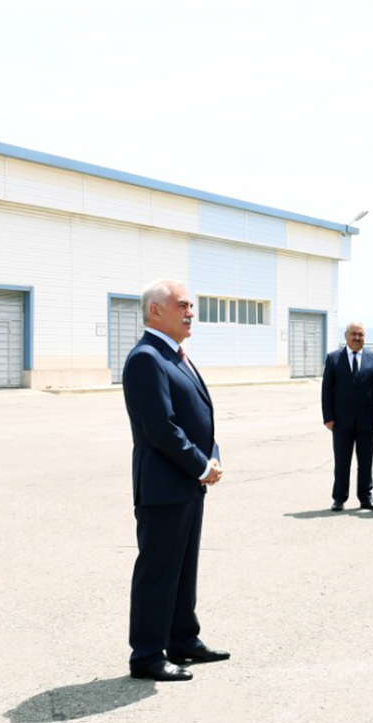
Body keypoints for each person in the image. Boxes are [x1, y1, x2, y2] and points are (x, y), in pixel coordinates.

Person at [121, 279, 228, 682]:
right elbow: (161, 427)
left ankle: (182, 639)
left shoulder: (174, 355)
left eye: (191, 306)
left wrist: (211, 456)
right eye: (182, 305)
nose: (190, 313)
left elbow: (198, 416)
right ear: (155, 311)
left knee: (183, 568)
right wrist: (201, 465)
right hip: (165, 485)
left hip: (187, 482)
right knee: (158, 571)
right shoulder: (146, 358)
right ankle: (147, 655)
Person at [321, 321, 373, 512]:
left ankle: (366, 497)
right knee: (342, 462)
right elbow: (326, 390)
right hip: (341, 421)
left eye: (361, 334)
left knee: (366, 461)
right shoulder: (333, 358)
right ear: (346, 336)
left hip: (368, 420)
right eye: (353, 334)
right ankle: (339, 498)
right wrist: (328, 417)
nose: (357, 338)